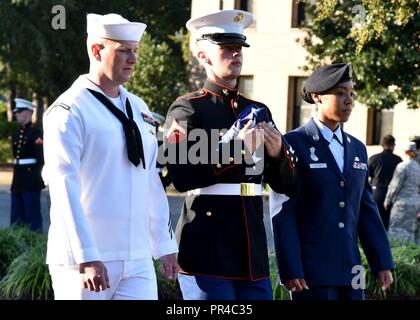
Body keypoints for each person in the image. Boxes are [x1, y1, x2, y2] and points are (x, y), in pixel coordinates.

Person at [42, 13, 179, 300]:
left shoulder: (139, 107)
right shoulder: (69, 110)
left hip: (137, 255)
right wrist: (86, 255)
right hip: (85, 260)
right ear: (96, 50)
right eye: (124, 51)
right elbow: (63, 186)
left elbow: (150, 178)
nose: (133, 59)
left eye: (135, 51)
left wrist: (165, 244)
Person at [164, 10, 296, 300]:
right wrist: (237, 150)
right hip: (207, 247)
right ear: (203, 55)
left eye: (239, 48)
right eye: (226, 48)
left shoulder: (258, 110)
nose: (236, 54)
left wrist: (277, 156)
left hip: (251, 249)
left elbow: (285, 185)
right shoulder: (187, 109)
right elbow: (181, 176)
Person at [271, 63, 394, 300]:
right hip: (311, 272)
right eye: (340, 93)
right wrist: (290, 268)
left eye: (351, 93)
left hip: (351, 271)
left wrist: (382, 261)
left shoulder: (358, 148)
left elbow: (365, 209)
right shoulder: (293, 144)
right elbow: (284, 210)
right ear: (317, 97)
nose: (349, 100)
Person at [10, 98, 45, 231]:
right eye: (16, 112)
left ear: (29, 113)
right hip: (17, 180)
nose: (16, 114)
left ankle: (35, 246)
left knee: (32, 216)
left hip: (31, 181)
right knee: (16, 216)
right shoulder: (16, 134)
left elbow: (41, 158)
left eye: (19, 112)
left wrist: (36, 176)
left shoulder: (36, 134)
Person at [384, 141, 420, 243]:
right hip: (416, 203)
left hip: (402, 203)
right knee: (412, 232)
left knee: (397, 231)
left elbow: (395, 185)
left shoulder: (402, 166)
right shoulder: (418, 167)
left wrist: (387, 200)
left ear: (406, 151)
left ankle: (398, 256)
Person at [368, 135, 402, 230]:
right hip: (392, 193)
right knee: (388, 222)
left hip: (377, 192)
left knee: (375, 221)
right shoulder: (398, 160)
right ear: (393, 145)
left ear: (382, 145)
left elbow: (366, 177)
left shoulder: (374, 158)